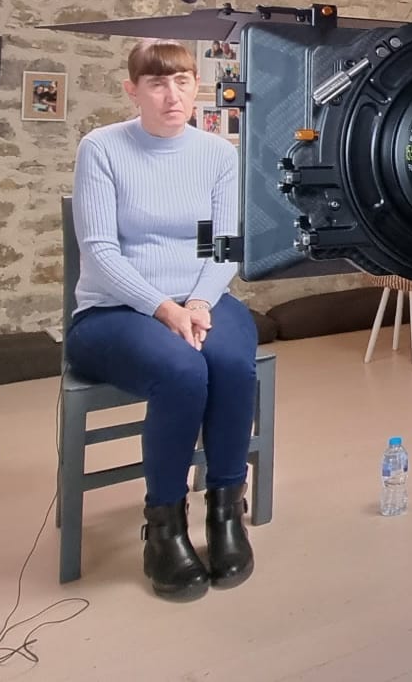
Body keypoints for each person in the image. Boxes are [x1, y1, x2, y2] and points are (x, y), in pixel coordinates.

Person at [65, 39, 255, 601]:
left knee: (231, 364)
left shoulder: (218, 154)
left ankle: (225, 511)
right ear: (133, 90)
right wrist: (164, 308)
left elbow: (226, 248)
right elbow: (100, 250)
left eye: (182, 81)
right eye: (156, 83)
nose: (172, 96)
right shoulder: (102, 148)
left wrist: (197, 304)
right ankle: (164, 524)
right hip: (115, 311)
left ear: (196, 85)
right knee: (181, 371)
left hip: (200, 300)